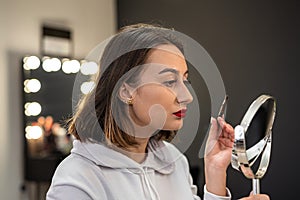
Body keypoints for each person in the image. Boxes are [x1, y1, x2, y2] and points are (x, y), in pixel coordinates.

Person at [46, 23, 270, 200]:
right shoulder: (77, 180)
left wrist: (215, 172)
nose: (187, 96)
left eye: (185, 80)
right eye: (170, 81)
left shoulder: (173, 161)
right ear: (126, 91)